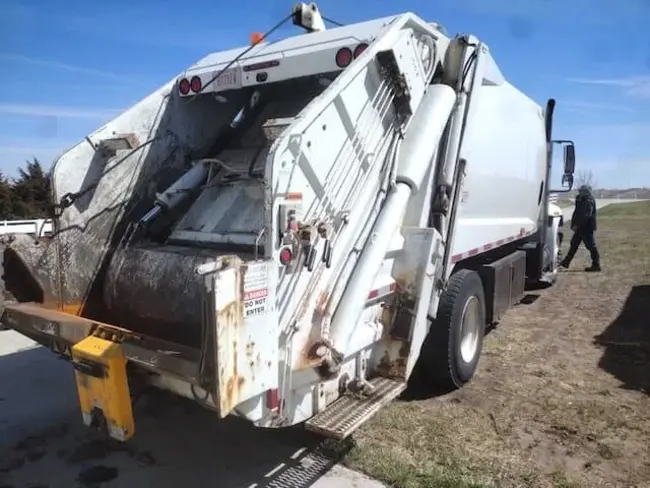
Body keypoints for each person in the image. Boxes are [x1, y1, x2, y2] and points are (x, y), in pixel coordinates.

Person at [559, 185, 601, 272]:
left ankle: (596, 265)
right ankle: (566, 262)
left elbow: (586, 215)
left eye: (581, 191)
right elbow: (577, 212)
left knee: (591, 246)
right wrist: (573, 224)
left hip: (587, 227)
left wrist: (577, 225)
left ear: (586, 192)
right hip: (580, 226)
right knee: (574, 243)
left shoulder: (590, 200)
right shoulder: (579, 199)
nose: (579, 193)